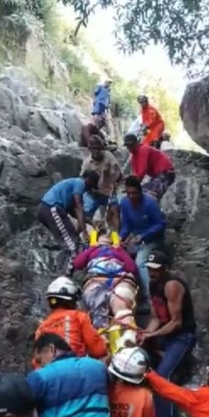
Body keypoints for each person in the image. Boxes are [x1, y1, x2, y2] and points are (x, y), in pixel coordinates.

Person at [138, 249, 197, 417]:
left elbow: (176, 321)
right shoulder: (153, 285)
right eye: (149, 269)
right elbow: (155, 316)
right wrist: (147, 333)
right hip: (164, 334)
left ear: (164, 268)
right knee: (139, 349)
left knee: (163, 378)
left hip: (181, 336)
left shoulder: (172, 285)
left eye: (155, 269)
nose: (152, 273)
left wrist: (153, 333)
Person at [118, 176, 167, 314]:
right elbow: (127, 225)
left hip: (152, 239)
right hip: (136, 239)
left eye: (134, 193)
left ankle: (150, 298)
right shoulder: (125, 203)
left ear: (140, 191)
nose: (132, 196)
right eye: (129, 194)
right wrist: (121, 238)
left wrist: (144, 235)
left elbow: (161, 224)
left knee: (140, 262)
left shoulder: (150, 203)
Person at [72, 229, 139, 330]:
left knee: (122, 307)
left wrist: (119, 249)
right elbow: (77, 264)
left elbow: (132, 268)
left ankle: (126, 333)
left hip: (120, 278)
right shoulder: (91, 251)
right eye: (103, 237)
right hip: (96, 278)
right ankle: (101, 334)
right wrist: (92, 247)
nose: (105, 239)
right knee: (98, 313)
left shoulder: (118, 250)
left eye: (108, 238)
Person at [35, 276, 108, 367]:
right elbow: (99, 350)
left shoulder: (41, 328)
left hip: (47, 374)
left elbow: (36, 362)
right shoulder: (79, 317)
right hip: (75, 368)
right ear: (73, 301)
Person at [37, 170, 100, 260]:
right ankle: (72, 265)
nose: (87, 190)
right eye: (90, 186)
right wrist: (85, 232)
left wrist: (89, 221)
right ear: (88, 180)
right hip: (52, 208)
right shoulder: (80, 183)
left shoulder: (71, 185)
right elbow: (79, 207)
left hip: (47, 210)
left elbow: (73, 211)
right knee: (72, 243)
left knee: (69, 238)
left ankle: (65, 261)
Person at [80, 137, 124, 232]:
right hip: (94, 193)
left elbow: (118, 172)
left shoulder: (108, 156)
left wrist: (113, 180)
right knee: (86, 214)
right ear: (90, 149)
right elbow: (83, 180)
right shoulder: (87, 163)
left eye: (99, 148)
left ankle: (118, 237)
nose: (97, 151)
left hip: (109, 190)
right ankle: (89, 237)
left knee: (114, 212)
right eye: (94, 148)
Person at [123, 134, 176, 201]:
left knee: (149, 194)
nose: (129, 148)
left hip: (166, 173)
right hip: (156, 176)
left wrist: (132, 186)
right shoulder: (133, 158)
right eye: (127, 146)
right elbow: (135, 175)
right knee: (141, 193)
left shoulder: (143, 149)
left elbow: (142, 171)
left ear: (137, 143)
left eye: (131, 145)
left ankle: (152, 209)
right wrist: (130, 185)